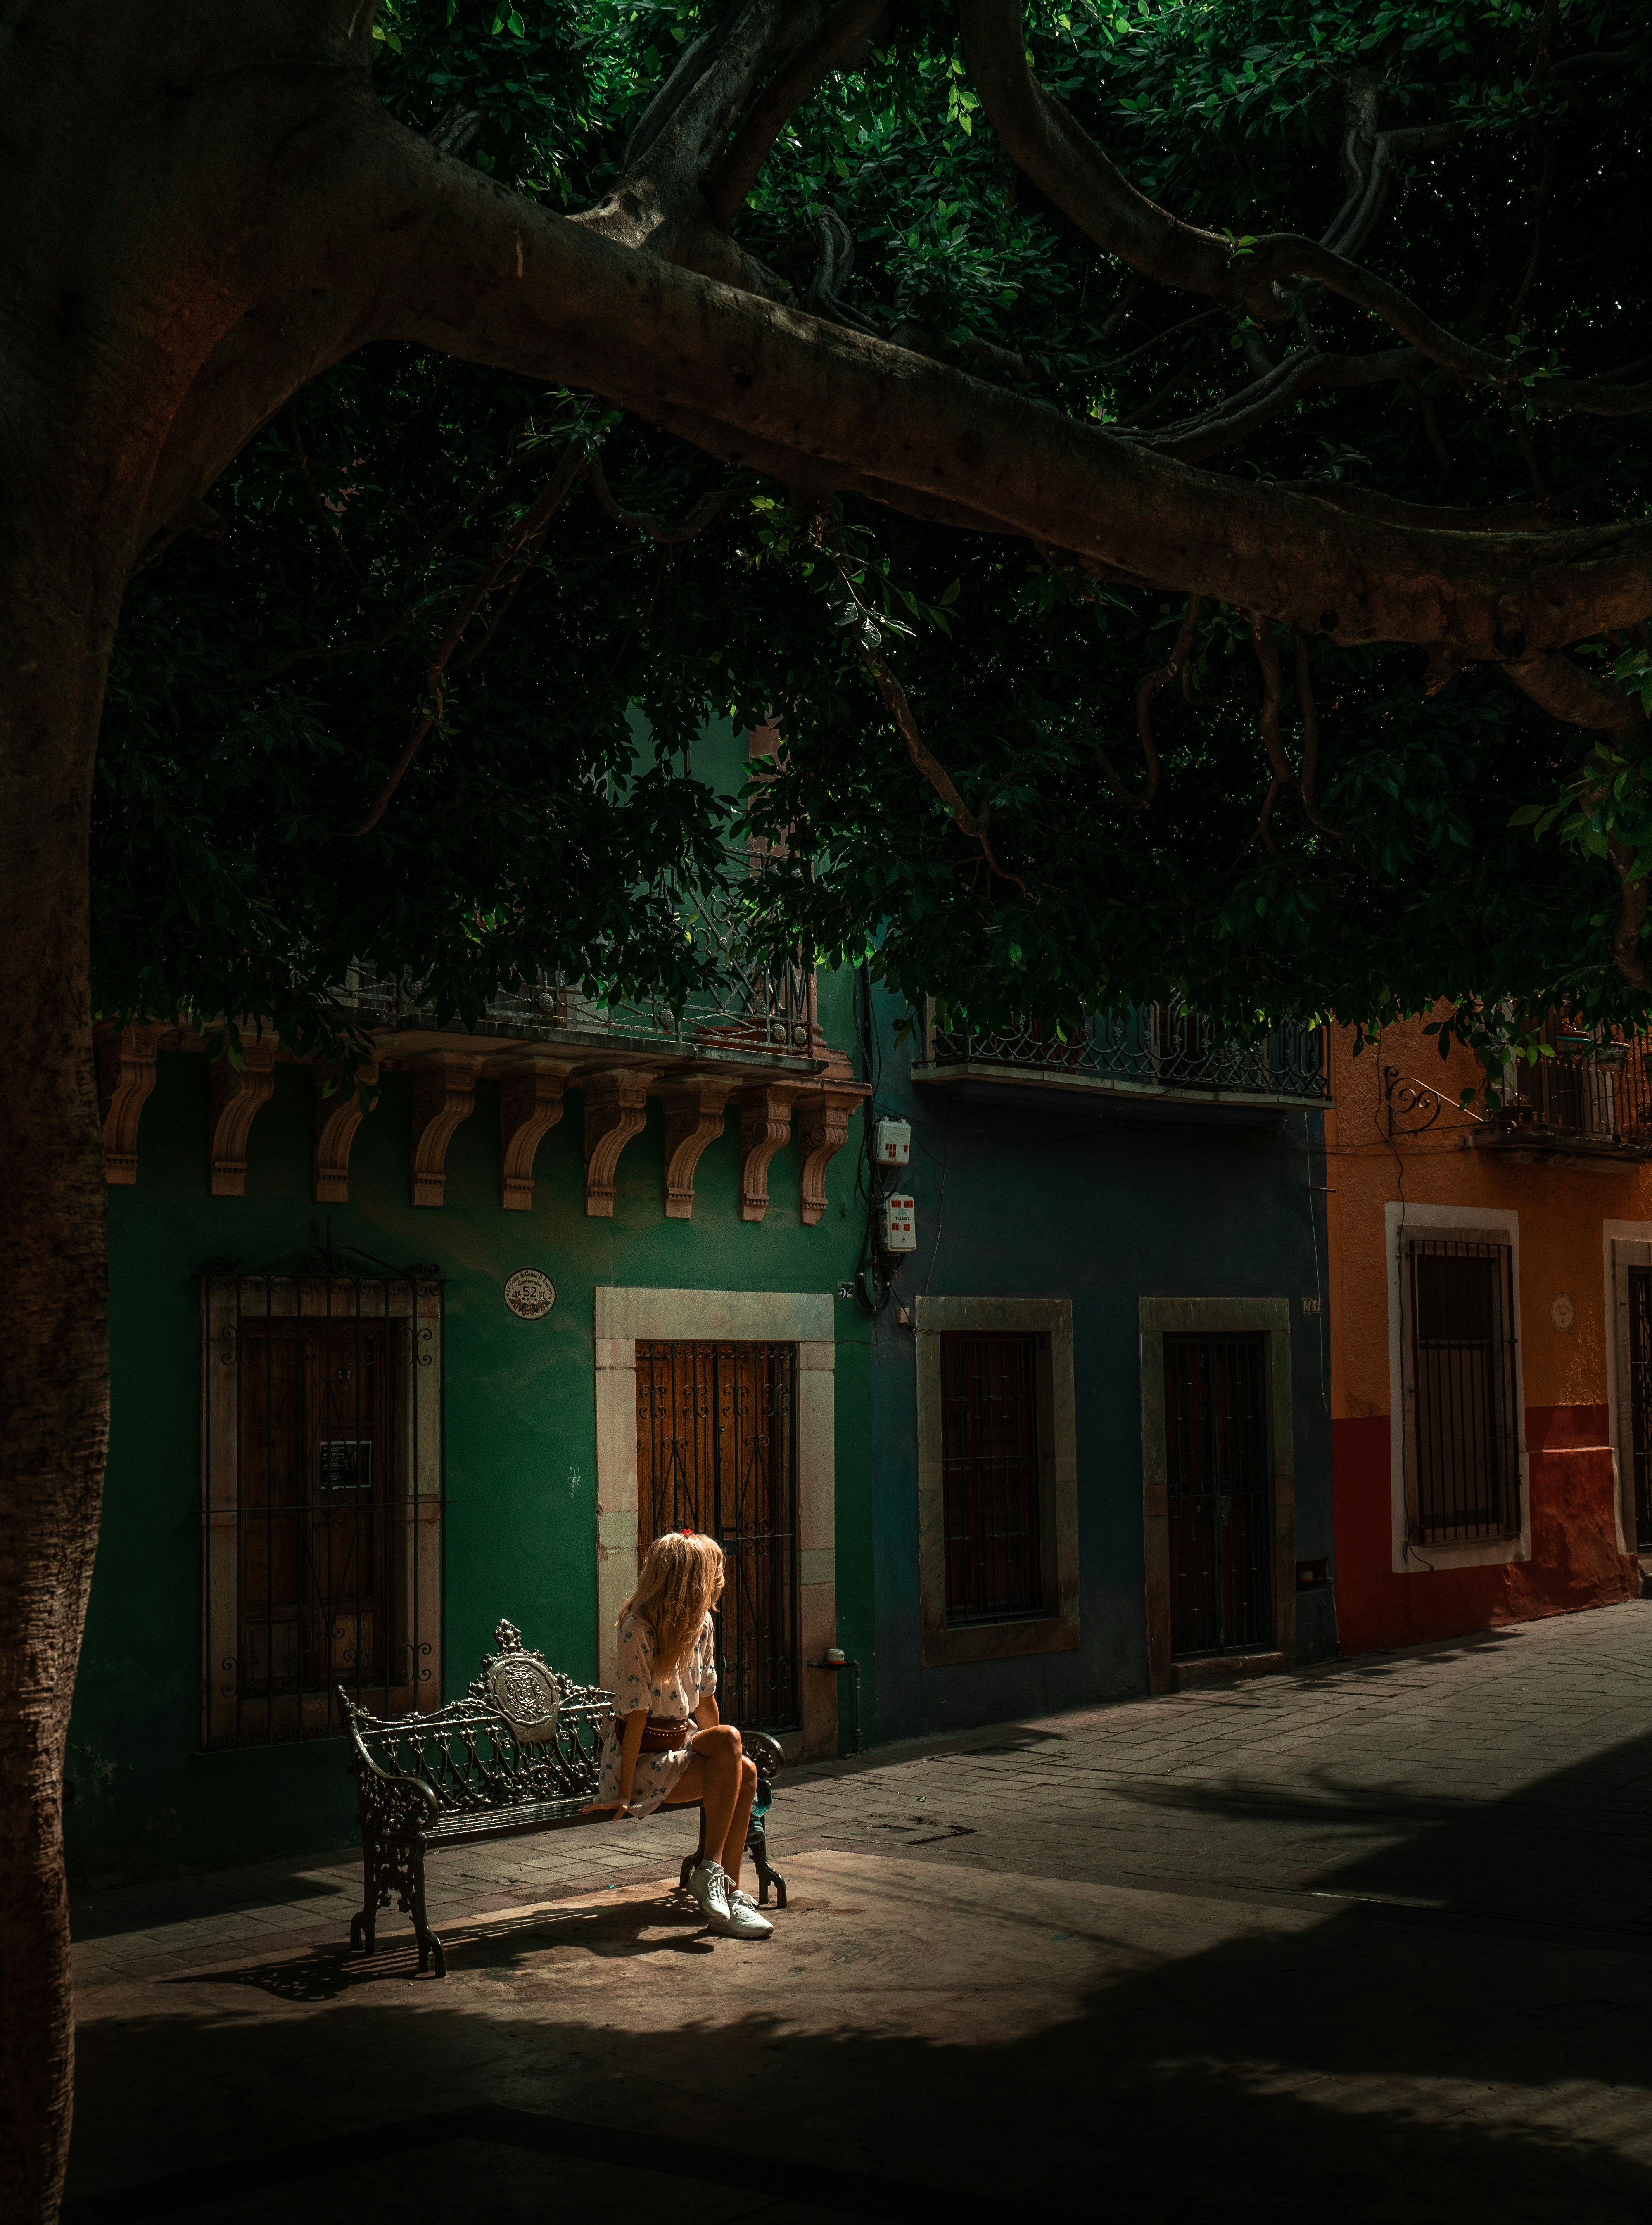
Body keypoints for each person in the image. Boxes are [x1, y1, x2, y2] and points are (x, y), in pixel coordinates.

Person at [586, 1529, 772, 1938]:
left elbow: (704, 1699)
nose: (714, 1582)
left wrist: (728, 1762)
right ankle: (714, 1877)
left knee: (745, 1769)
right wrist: (623, 1788)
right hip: (640, 1760)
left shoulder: (701, 1622)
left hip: (679, 1748)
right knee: (731, 1745)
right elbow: (635, 1714)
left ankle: (730, 1894)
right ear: (686, 1578)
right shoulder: (636, 1628)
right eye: (708, 1574)